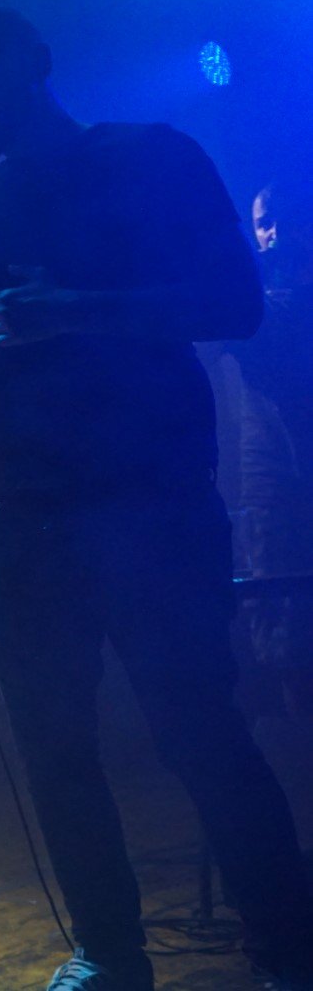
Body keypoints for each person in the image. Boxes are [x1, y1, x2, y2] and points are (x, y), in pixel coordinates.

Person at [0, 7, 313, 991]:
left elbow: (237, 304)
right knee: (54, 748)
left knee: (198, 730)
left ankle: (290, 952)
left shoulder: (151, 156)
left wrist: (83, 311)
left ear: (36, 62)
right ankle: (108, 953)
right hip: (25, 511)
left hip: (152, 498)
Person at [226, 179, 313, 719]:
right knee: (281, 609)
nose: (273, 232)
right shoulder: (248, 296)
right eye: (263, 223)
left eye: (283, 219)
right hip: (273, 477)